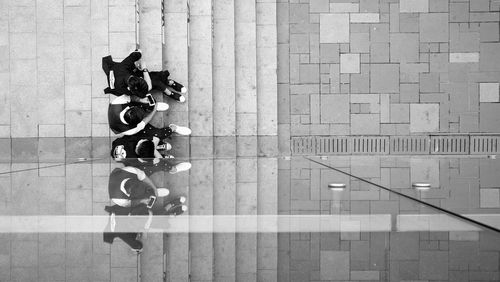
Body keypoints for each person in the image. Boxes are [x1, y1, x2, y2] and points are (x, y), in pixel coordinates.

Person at [108, 94, 191, 136]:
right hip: (124, 127)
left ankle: (148, 106)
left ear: (130, 109)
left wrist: (141, 100)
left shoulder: (116, 103)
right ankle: (173, 128)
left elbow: (131, 98)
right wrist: (155, 109)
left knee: (147, 100)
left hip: (122, 110)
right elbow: (145, 121)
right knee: (157, 134)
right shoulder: (130, 130)